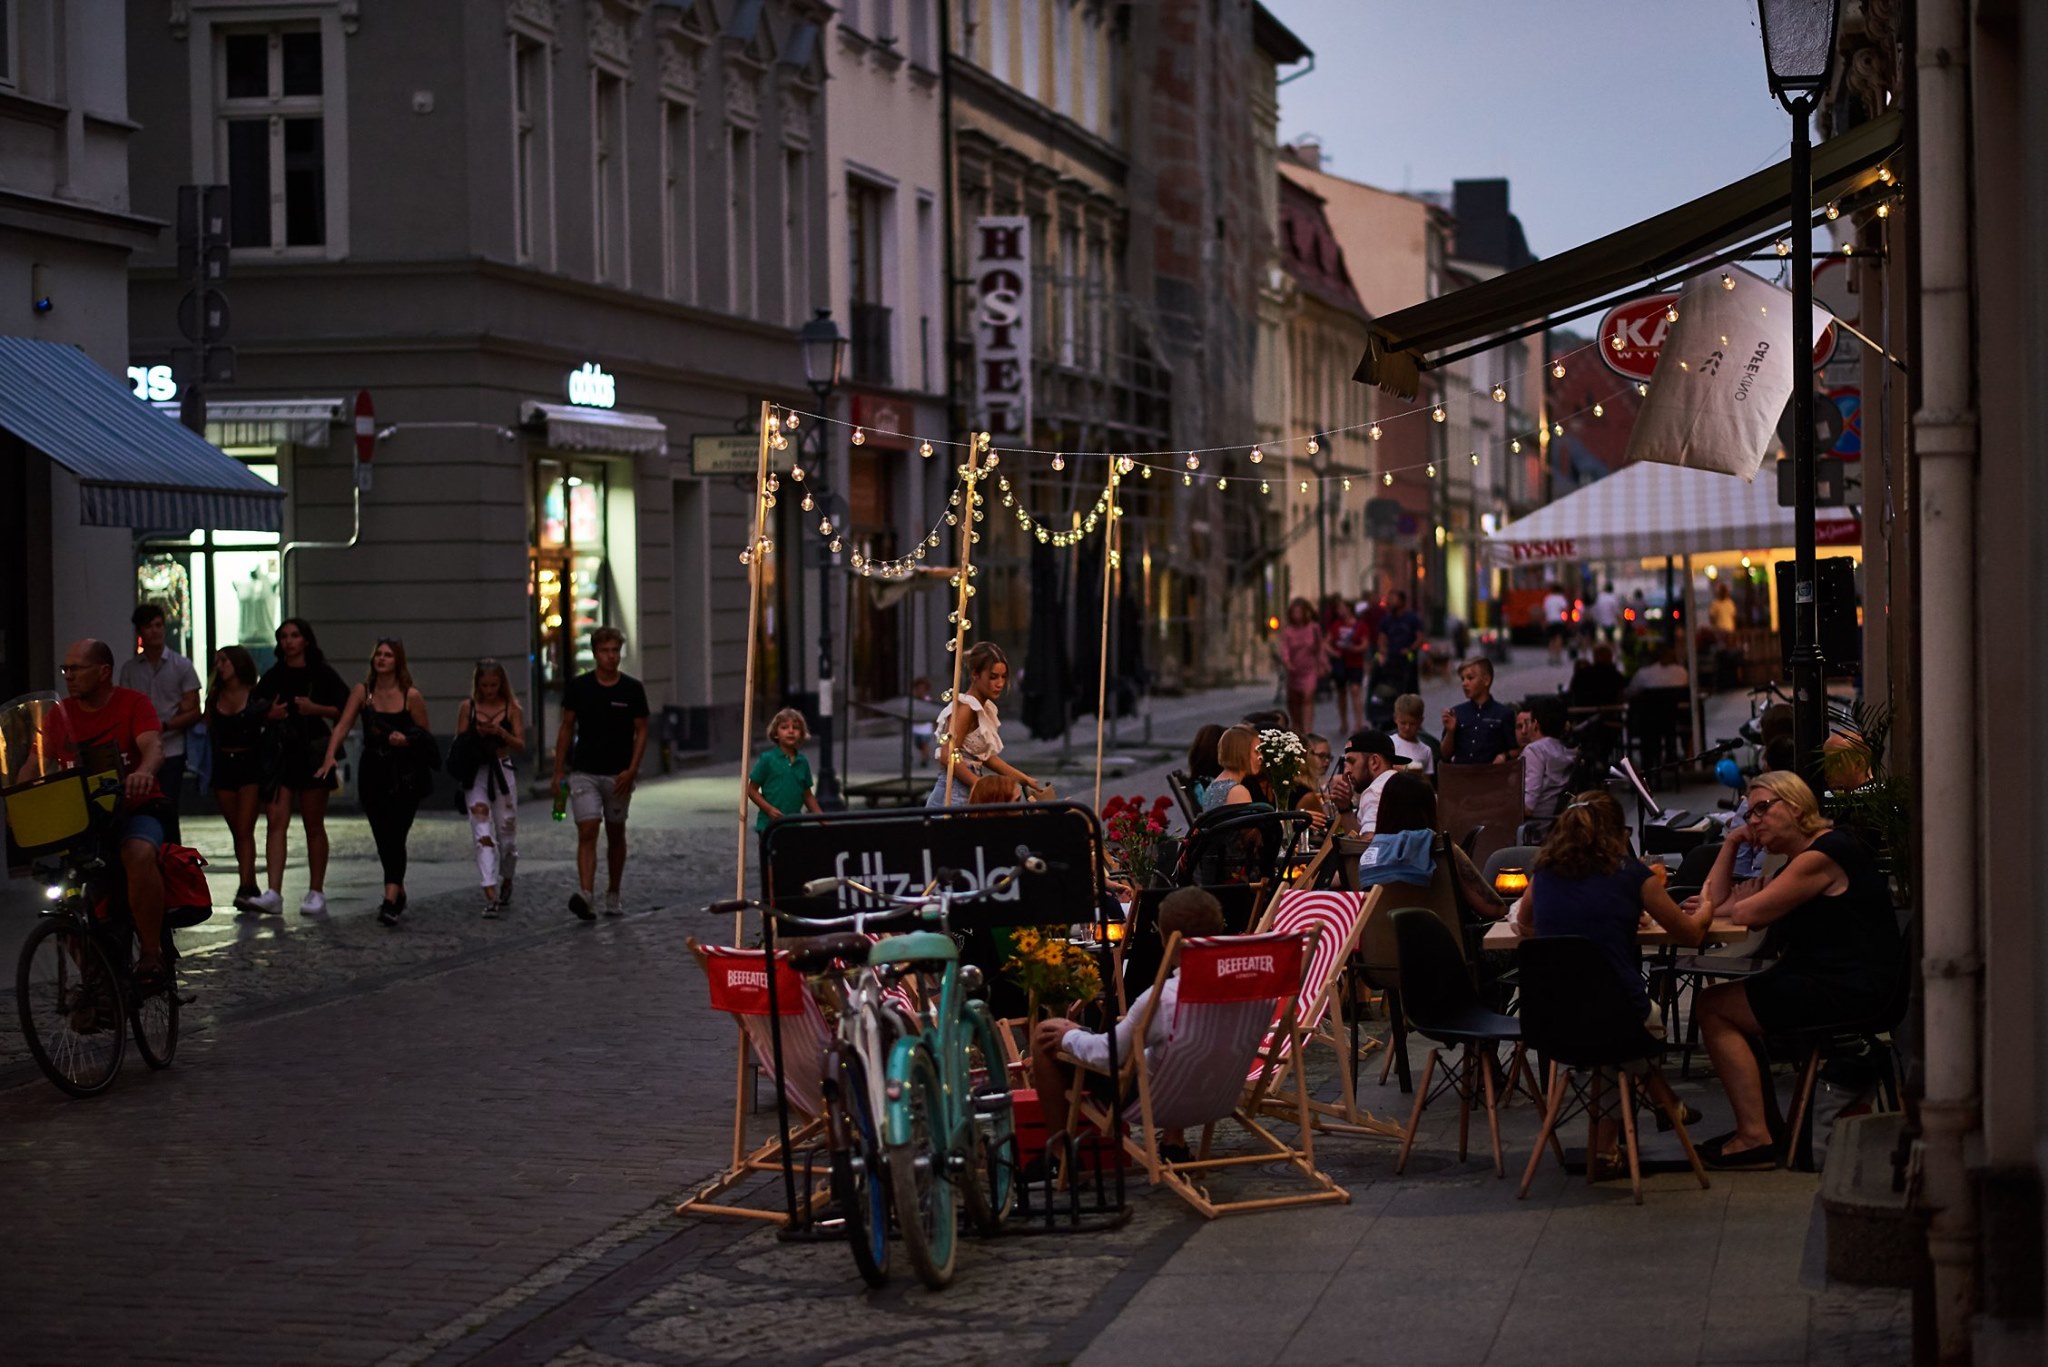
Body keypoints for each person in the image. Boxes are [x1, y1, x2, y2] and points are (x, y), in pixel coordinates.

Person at [1692, 772, 1903, 1169]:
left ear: (1796, 807)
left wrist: (1743, 902)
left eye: (1762, 808)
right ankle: (1762, 1128)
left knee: (1714, 1006)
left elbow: (1747, 913)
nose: (1752, 820)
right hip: (1830, 979)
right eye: (1747, 812)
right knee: (1722, 1003)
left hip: (1851, 988)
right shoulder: (1801, 858)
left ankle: (1755, 1136)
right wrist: (1733, 841)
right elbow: (1717, 903)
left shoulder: (1825, 853)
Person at [1511, 791, 1708, 1170]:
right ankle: (1666, 1102)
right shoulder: (1632, 875)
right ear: (1618, 832)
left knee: (1606, 1038)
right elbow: (1690, 935)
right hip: (1621, 1016)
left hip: (1550, 1019)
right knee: (1621, 1020)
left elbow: (1525, 923)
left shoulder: (1543, 872)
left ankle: (1606, 1150)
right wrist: (1708, 908)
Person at [1030, 886, 1227, 1165]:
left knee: (1045, 1036)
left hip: (1156, 1102)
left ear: (1165, 937)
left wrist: (1068, 1035)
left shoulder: (1164, 998)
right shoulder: (1248, 987)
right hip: (1217, 1097)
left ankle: (1060, 1155)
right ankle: (1174, 1142)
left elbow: (1106, 1055)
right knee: (1172, 1047)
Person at [45, 639, 171, 987]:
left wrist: (144, 772)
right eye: (65, 669)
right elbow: (35, 765)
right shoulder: (59, 714)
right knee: (65, 896)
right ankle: (97, 984)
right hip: (82, 819)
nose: (69, 675)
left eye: (77, 668)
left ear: (103, 672)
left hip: (133, 808)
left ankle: (149, 954)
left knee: (138, 852)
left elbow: (153, 746)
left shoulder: (133, 704)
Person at [317, 637, 433, 927]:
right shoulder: (362, 693)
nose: (381, 659)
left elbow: (426, 738)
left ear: (398, 662)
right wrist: (330, 756)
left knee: (397, 834)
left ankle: (390, 899)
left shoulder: (411, 696)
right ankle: (397, 888)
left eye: (388, 655)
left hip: (404, 775)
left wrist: (406, 739)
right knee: (383, 836)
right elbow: (343, 725)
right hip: (374, 772)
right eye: (378, 654)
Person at [247, 618, 349, 917]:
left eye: (294, 636)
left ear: (306, 640)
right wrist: (270, 713)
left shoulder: (321, 673)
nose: (289, 641)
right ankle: (274, 891)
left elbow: (344, 709)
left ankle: (316, 890)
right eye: (284, 637)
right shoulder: (274, 675)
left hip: (313, 750)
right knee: (276, 820)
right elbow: (255, 708)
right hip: (281, 753)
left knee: (313, 823)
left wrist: (315, 709)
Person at [553, 626, 650, 919]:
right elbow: (566, 727)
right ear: (595, 653)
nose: (611, 656)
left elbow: (642, 730)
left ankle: (614, 891)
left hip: (618, 774)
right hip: (584, 771)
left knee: (616, 831)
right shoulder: (580, 687)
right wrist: (558, 770)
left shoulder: (632, 689)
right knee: (588, 828)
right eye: (605, 651)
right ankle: (586, 893)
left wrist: (632, 770)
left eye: (615, 651)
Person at [118, 604, 200, 843]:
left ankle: (172, 859)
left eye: (159, 625)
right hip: (139, 750)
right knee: (140, 806)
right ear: (140, 631)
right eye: (149, 626)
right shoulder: (130, 669)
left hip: (172, 747)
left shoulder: (181, 665)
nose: (155, 631)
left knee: (168, 806)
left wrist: (167, 725)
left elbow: (194, 709)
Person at [927, 642, 1045, 806]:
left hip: (966, 791)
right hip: (952, 794)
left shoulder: (982, 708)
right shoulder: (966, 708)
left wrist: (1022, 778)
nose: (1000, 683)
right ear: (975, 674)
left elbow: (986, 757)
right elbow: (947, 755)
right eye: (993, 677)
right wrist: (981, 786)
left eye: (1003, 677)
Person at [454, 658, 524, 918]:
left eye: (494, 685)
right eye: (484, 685)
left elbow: (520, 744)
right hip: (477, 772)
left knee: (507, 835)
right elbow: (459, 742)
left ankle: (507, 877)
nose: (489, 690)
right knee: (482, 832)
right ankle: (489, 891)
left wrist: (501, 734)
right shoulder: (468, 708)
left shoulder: (512, 708)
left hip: (502, 770)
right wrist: (477, 734)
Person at [206, 646, 266, 908]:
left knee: (244, 828)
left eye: (225, 660)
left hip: (249, 764)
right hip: (223, 765)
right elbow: (207, 728)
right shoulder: (215, 696)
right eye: (218, 661)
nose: (220, 665)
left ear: (238, 664)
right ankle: (249, 882)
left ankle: (245, 885)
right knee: (237, 831)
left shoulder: (255, 694)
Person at [746, 707, 823, 844]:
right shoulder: (768, 759)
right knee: (772, 861)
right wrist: (768, 809)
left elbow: (807, 795)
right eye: (784, 727)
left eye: (796, 728)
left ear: (801, 733)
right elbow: (752, 790)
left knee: (789, 862)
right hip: (770, 825)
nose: (791, 731)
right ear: (776, 733)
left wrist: (822, 819)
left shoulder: (802, 762)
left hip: (793, 825)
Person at [1440, 658, 1516, 765]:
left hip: (1490, 775)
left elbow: (1516, 749)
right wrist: (1450, 732)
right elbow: (1445, 754)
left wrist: (1504, 756)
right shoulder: (1456, 713)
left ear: (1486, 680)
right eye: (1462, 679)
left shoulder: (1504, 714)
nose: (1464, 683)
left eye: (1470, 678)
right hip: (1462, 776)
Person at [1514, 704, 1575, 836]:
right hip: (1552, 825)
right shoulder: (1564, 753)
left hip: (1532, 829)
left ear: (1535, 724)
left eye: (1528, 722)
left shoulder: (1534, 751)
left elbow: (1527, 807)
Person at [1275, 598, 1325, 735]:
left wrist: (1322, 664)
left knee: (1308, 697)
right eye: (1294, 612)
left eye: (1299, 612)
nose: (1297, 615)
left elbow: (1320, 648)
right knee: (1294, 701)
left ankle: (1308, 729)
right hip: (1294, 670)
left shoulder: (1314, 628)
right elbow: (1284, 649)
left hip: (1310, 669)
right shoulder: (1288, 631)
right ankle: (1298, 725)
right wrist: (1287, 662)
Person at [1341, 729, 1401, 835]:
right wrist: (1345, 809)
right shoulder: (1412, 786)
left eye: (1352, 762)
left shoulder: (1375, 792)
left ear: (1374, 762)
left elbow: (1369, 844)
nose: (1346, 771)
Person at [1324, 599, 1367, 736]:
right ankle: (1344, 722)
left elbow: (1365, 643)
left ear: (1349, 609)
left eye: (1342, 608)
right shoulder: (1336, 625)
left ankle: (1358, 723)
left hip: (1355, 662)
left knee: (1355, 690)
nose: (1339, 611)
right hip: (1341, 662)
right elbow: (1326, 642)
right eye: (1338, 609)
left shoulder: (1360, 626)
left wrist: (1355, 648)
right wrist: (1334, 652)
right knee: (1341, 692)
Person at [1200, 724, 1261, 813]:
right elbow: (1246, 827)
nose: (1260, 757)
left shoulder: (1213, 786)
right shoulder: (1237, 791)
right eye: (1256, 752)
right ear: (1241, 752)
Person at [1389, 693, 1439, 776]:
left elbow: (1426, 781)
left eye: (1412, 724)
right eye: (1403, 723)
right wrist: (1407, 769)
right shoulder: (1389, 743)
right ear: (1395, 718)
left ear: (1420, 721)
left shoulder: (1426, 751)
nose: (1407, 727)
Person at [1568, 644, 1628, 710]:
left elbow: (1572, 693)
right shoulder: (1616, 676)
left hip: (1583, 715)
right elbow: (1622, 698)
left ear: (1594, 658)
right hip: (1610, 715)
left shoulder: (1581, 674)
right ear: (1610, 658)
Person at [1541, 583, 1571, 663]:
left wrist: (1544, 621)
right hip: (1559, 620)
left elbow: (1544, 611)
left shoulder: (1548, 599)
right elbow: (1565, 609)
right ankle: (1558, 656)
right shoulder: (1561, 598)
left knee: (1551, 639)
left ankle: (1551, 656)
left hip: (1550, 620)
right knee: (1558, 638)